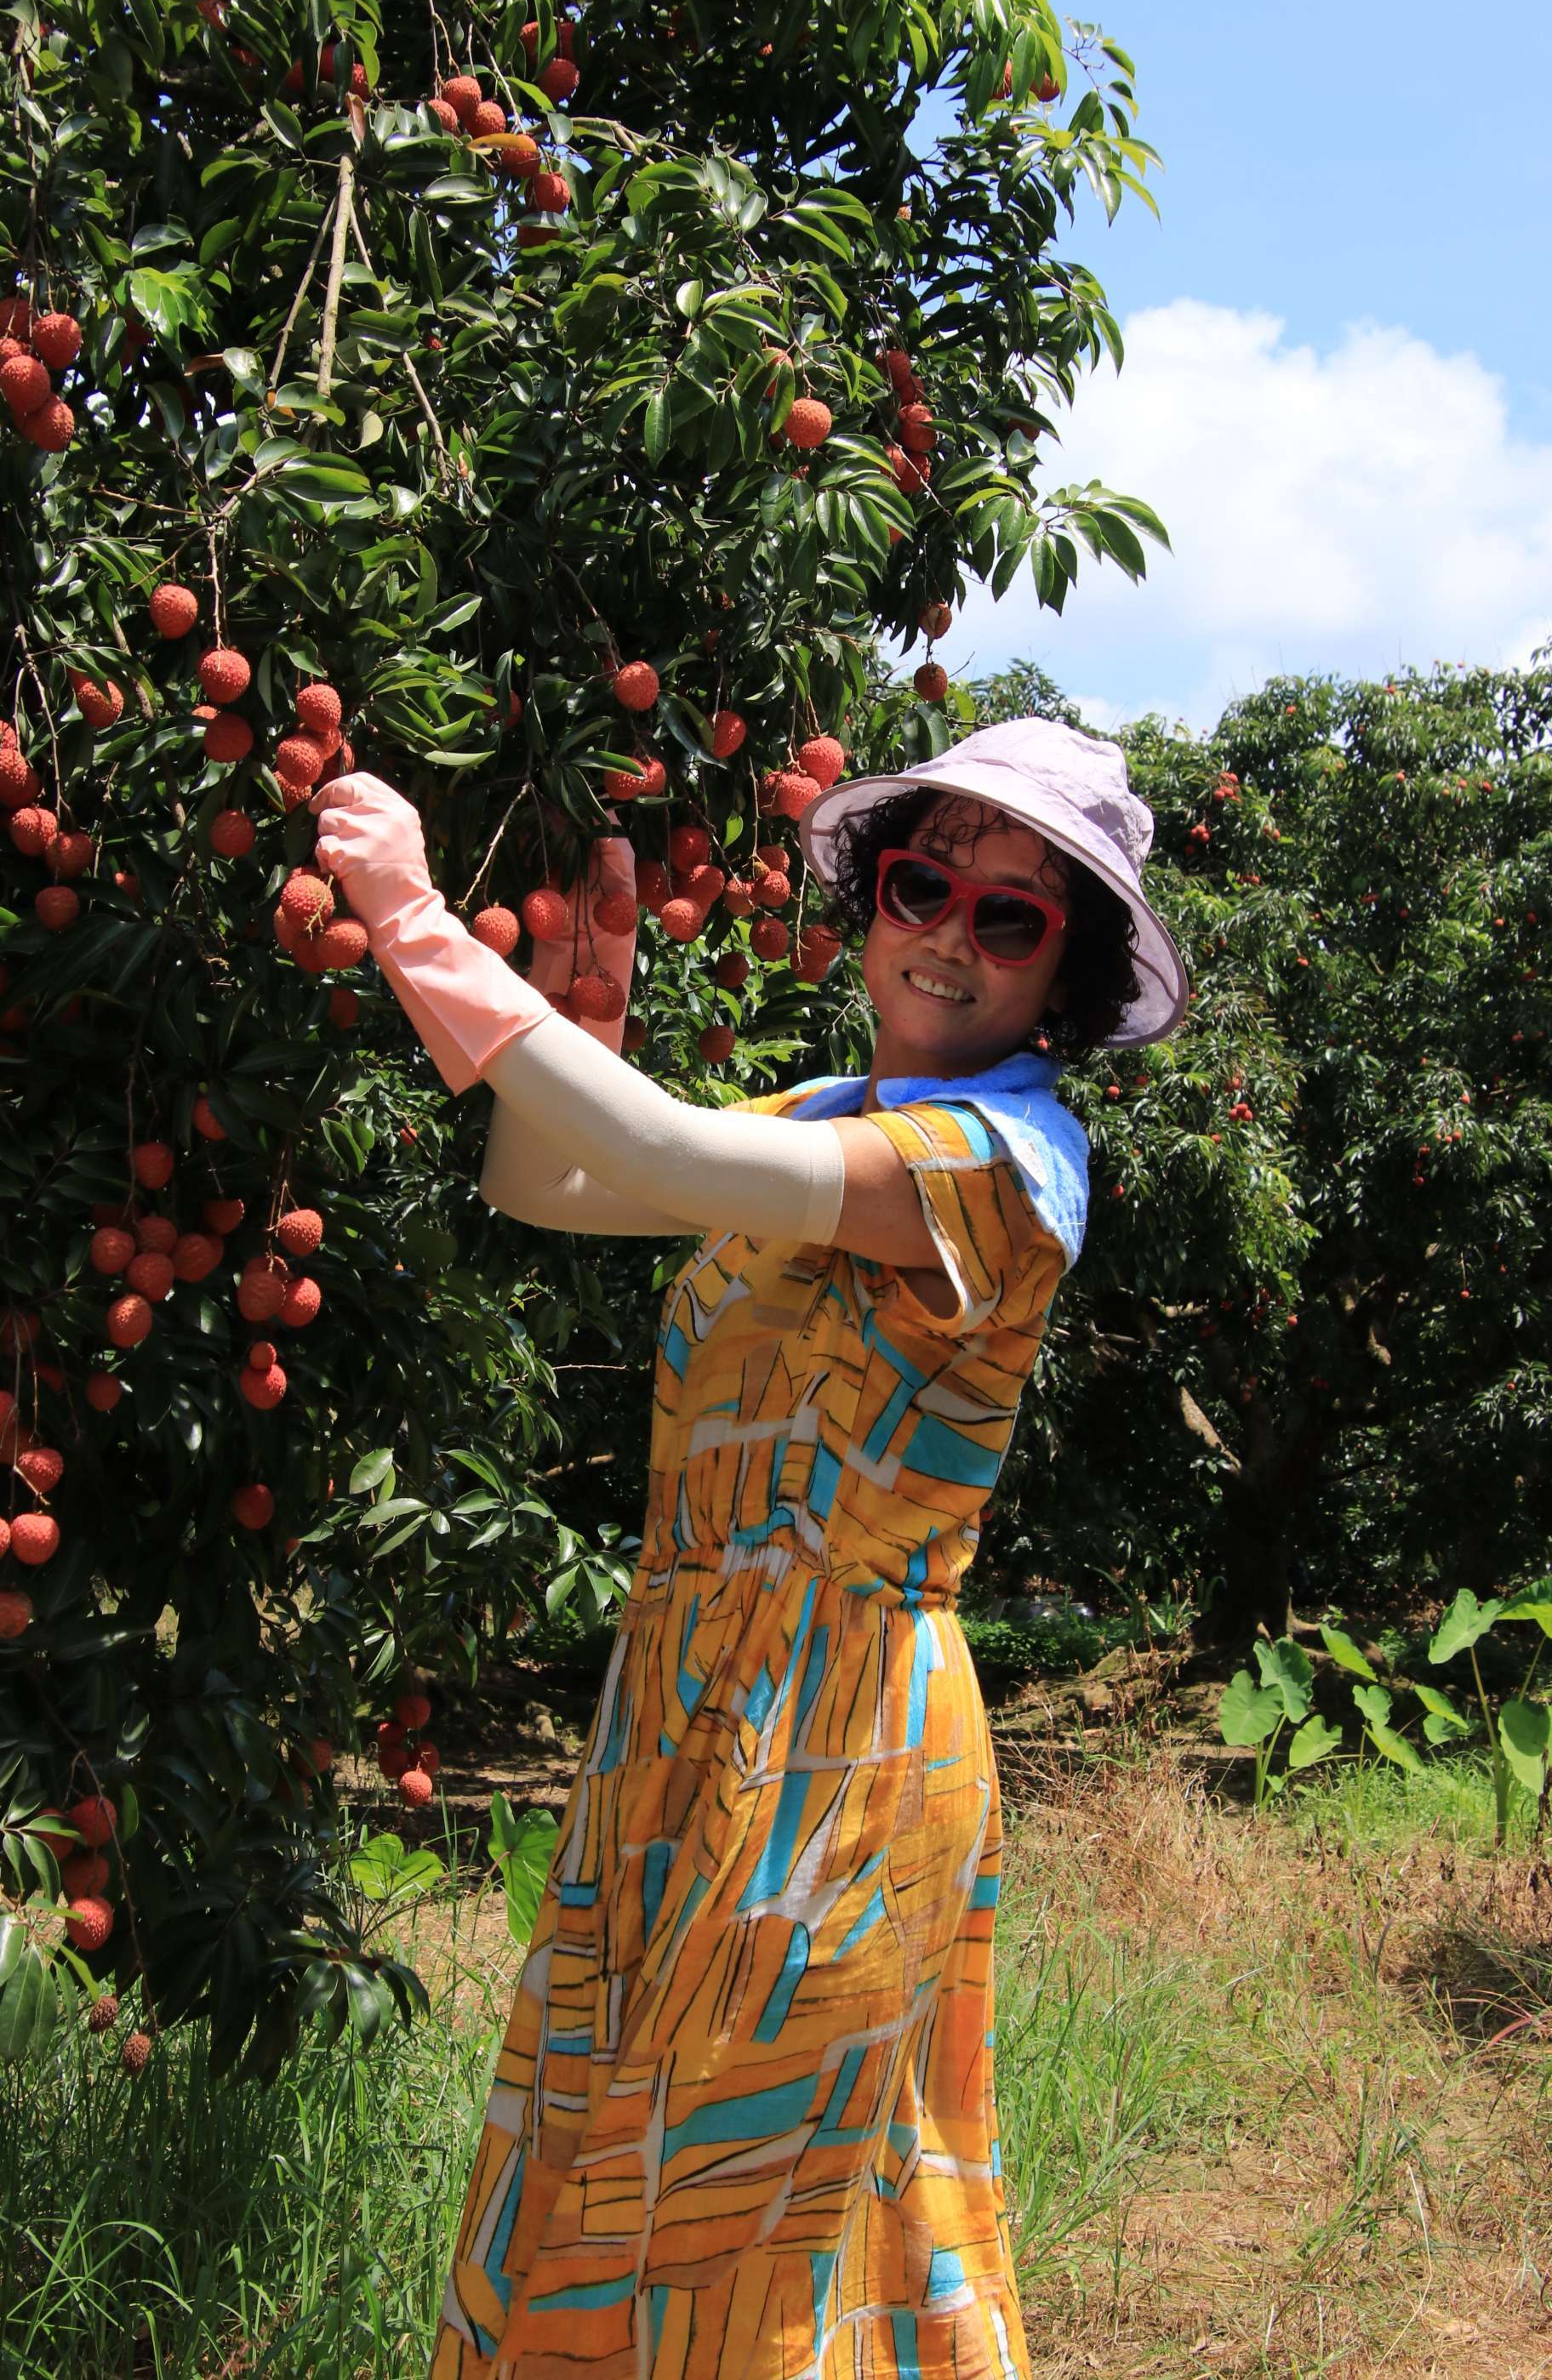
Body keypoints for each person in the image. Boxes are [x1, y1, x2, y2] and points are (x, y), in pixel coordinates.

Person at [311, 715, 1190, 2380]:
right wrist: (578, 1023)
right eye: (924, 883)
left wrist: (416, 927)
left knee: (749, 2233)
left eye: (1011, 917)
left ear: (1060, 974)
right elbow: (549, 1185)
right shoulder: (833, 1109)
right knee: (614, 2175)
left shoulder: (1000, 1163)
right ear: (874, 895)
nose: (949, 934)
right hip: (678, 1724)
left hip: (840, 1746)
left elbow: (653, 1151)